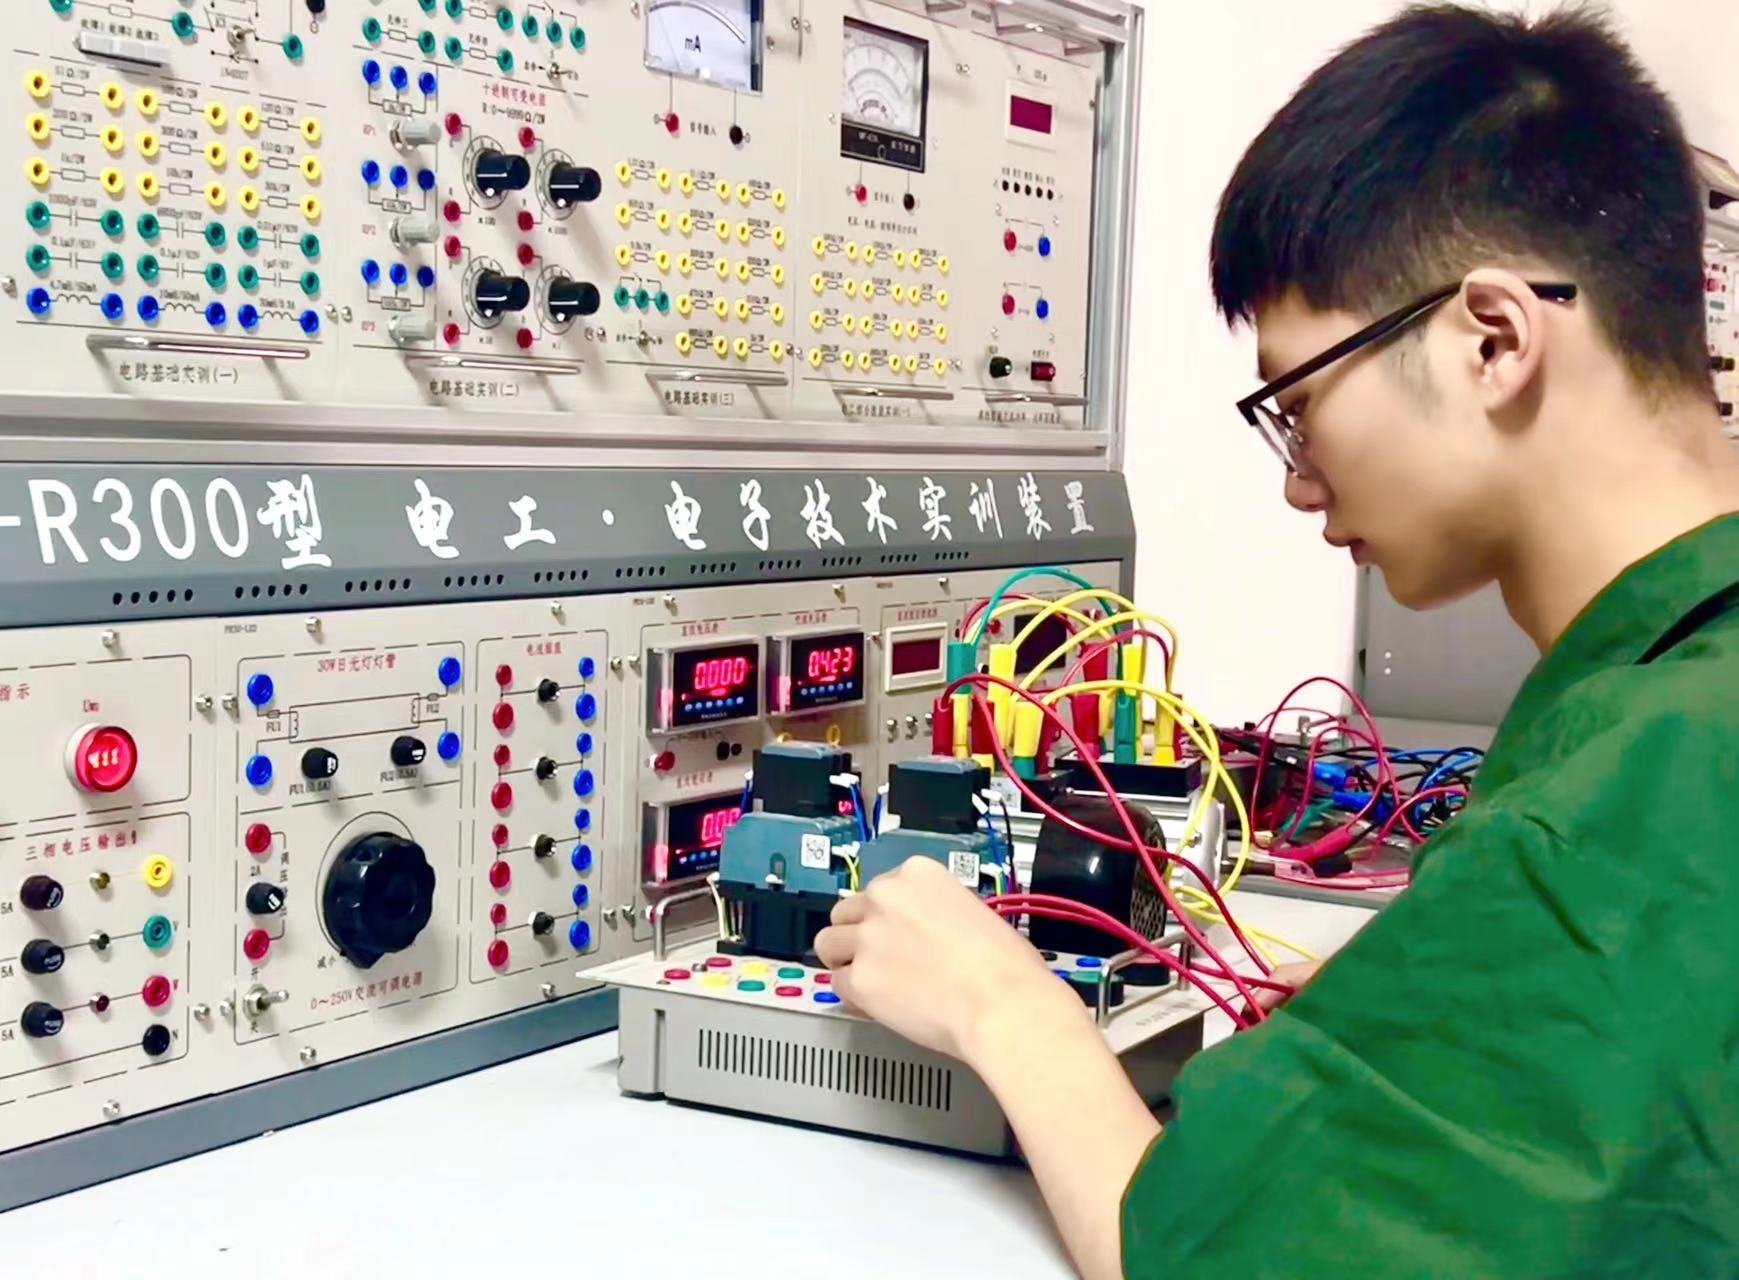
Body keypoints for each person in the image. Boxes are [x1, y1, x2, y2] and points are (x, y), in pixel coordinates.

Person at [814, 5, 1739, 1277]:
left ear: (1492, 337)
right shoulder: (1667, 707)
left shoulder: (1621, 802)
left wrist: (999, 999)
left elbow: (1200, 1252)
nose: (1299, 481)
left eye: (1298, 402)